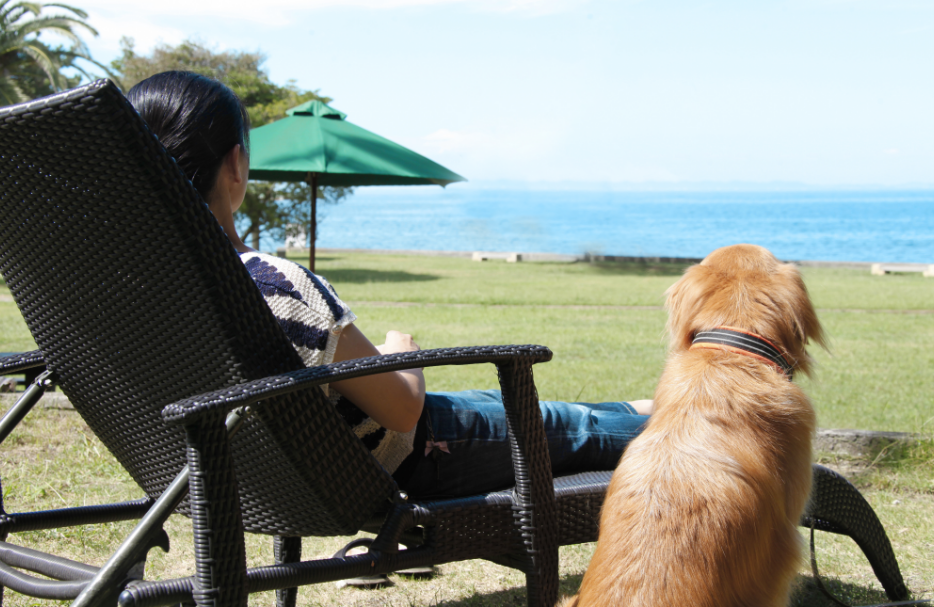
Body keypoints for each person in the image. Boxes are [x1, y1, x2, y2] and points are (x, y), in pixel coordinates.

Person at [127, 71, 651, 499]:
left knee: (580, 414)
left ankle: (661, 404)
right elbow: (402, 410)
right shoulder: (272, 285)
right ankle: (710, 420)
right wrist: (404, 353)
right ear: (237, 166)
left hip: (281, 480)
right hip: (414, 456)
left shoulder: (137, 296)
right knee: (584, 430)